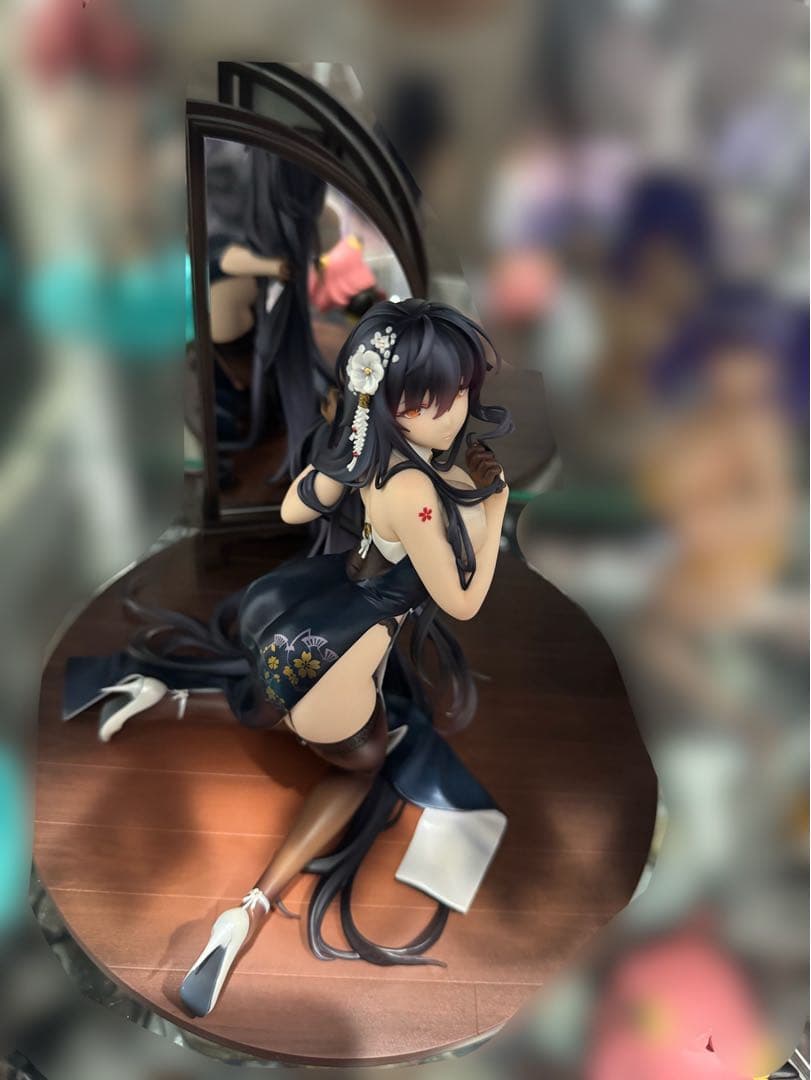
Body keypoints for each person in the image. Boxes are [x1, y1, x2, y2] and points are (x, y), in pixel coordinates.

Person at [63, 298, 515, 1017]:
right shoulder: (414, 493)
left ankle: (157, 690)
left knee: (291, 711)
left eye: (460, 392)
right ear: (398, 406)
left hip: (302, 613)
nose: (457, 411)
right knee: (363, 766)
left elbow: (295, 509)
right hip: (343, 648)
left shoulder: (369, 454)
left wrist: (346, 443)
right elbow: (461, 602)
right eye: (437, 398)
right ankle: (248, 909)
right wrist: (493, 514)